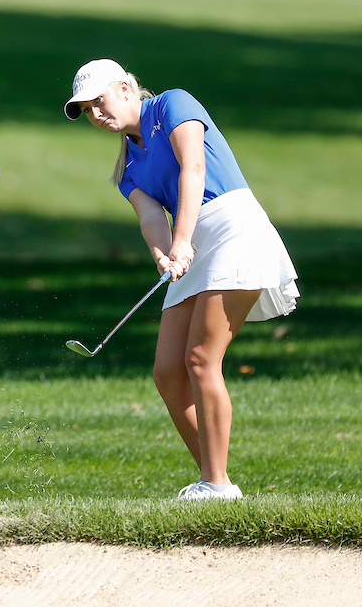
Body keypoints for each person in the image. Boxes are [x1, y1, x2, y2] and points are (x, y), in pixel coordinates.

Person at [63, 59, 299, 501]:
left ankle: (216, 485)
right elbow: (151, 215)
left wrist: (183, 239)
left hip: (231, 227)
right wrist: (161, 252)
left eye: (100, 101)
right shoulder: (127, 168)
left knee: (200, 359)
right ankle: (218, 482)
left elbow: (194, 168)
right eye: (87, 110)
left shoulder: (173, 104)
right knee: (168, 372)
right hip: (189, 242)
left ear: (126, 87)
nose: (96, 114)